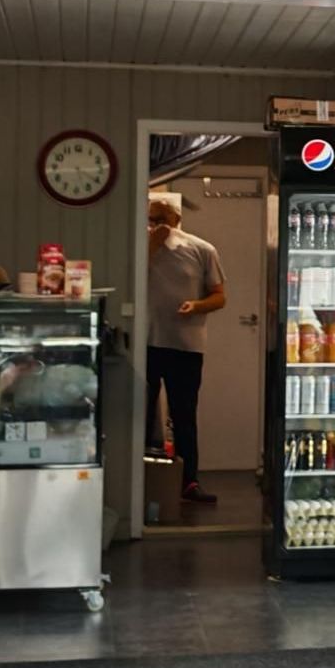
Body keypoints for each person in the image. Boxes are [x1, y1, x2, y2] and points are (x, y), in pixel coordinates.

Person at [146, 194, 226, 505]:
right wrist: (151, 244)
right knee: (142, 413)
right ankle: (143, 480)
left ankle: (189, 481)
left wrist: (196, 305)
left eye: (162, 220)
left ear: (177, 220)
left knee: (184, 415)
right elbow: (128, 275)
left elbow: (219, 296)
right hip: (146, 342)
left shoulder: (201, 249)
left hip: (186, 345)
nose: (157, 226)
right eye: (152, 220)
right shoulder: (139, 247)